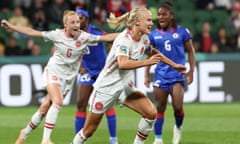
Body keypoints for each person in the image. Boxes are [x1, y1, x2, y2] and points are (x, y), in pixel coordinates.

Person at [71, 7, 186, 144]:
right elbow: (123, 64)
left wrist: (174, 65)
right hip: (106, 89)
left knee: (150, 114)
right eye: (148, 20)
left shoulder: (144, 38)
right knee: (89, 130)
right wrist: (146, 62)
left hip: (125, 87)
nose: (152, 23)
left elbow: (154, 53)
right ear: (137, 22)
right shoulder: (124, 39)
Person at [1, 10, 118, 144]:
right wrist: (11, 26)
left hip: (68, 79)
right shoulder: (57, 35)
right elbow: (33, 32)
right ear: (65, 25)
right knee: (58, 102)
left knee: (45, 108)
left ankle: (24, 133)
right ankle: (46, 140)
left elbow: (107, 38)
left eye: (78, 22)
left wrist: (128, 34)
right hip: (53, 71)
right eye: (73, 22)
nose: (76, 25)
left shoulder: (84, 37)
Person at [144, 2, 195, 144]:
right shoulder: (153, 35)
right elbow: (150, 56)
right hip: (160, 75)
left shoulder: (182, 32)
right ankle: (158, 139)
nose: (160, 17)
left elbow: (190, 51)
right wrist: (147, 74)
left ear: (171, 16)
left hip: (177, 75)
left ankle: (178, 127)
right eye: (159, 14)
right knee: (160, 107)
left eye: (164, 14)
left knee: (178, 108)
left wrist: (191, 71)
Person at [74, 9, 118, 144]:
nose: (77, 22)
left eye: (80, 19)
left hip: (101, 72)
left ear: (86, 20)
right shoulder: (73, 34)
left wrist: (112, 57)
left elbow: (112, 38)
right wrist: (79, 65)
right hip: (87, 72)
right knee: (81, 104)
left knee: (107, 105)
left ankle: (113, 140)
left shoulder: (96, 32)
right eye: (75, 19)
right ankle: (79, 140)